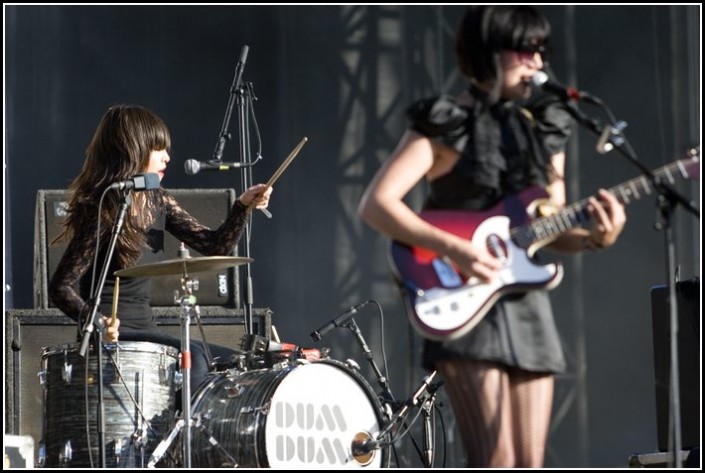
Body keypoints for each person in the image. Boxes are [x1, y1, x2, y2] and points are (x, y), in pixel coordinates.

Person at [358, 6, 626, 468]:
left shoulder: (545, 128)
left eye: (542, 52)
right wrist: (454, 248)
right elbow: (378, 203)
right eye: (525, 52)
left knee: (530, 461)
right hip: (461, 298)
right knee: (495, 460)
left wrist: (594, 239)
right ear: (488, 55)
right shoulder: (448, 123)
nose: (537, 64)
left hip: (524, 299)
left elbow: (550, 225)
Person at [48, 103, 272, 398]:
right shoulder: (104, 208)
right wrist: (98, 322)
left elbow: (214, 245)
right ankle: (182, 438)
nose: (167, 156)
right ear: (134, 148)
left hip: (147, 328)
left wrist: (242, 206)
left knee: (237, 364)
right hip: (117, 332)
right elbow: (61, 287)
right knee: (196, 358)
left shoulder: (158, 200)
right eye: (158, 148)